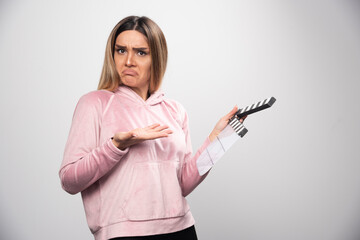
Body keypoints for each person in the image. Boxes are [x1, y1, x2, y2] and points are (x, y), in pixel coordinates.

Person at [59, 16, 243, 240]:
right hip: (123, 234)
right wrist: (116, 146)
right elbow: (69, 180)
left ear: (156, 57)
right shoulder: (94, 103)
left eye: (140, 52)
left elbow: (183, 184)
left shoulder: (175, 110)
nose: (128, 61)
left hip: (181, 230)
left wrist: (218, 138)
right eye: (120, 50)